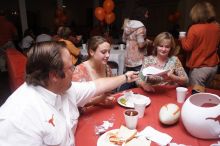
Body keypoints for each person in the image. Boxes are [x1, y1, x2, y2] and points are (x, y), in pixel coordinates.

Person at [0, 41, 138, 146]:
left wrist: (125, 77)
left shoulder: (62, 88)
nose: (75, 71)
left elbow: (97, 85)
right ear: (54, 75)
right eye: (71, 68)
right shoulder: (17, 118)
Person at [179, 1, 220, 88]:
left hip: (199, 68)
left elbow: (187, 47)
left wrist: (182, 39)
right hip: (213, 67)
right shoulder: (217, 27)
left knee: (196, 94)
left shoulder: (194, 28)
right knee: (206, 91)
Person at [72, 36, 114, 111]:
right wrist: (100, 99)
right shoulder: (80, 71)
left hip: (103, 110)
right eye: (103, 52)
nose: (108, 55)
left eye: (109, 52)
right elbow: (75, 101)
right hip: (87, 114)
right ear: (91, 52)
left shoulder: (107, 68)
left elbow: (109, 92)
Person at [120, 7, 152, 90]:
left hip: (128, 58)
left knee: (128, 78)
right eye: (146, 14)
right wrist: (147, 42)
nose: (147, 16)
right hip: (138, 59)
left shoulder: (127, 25)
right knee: (139, 80)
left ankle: (122, 94)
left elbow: (123, 39)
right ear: (141, 14)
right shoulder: (141, 27)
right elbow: (141, 44)